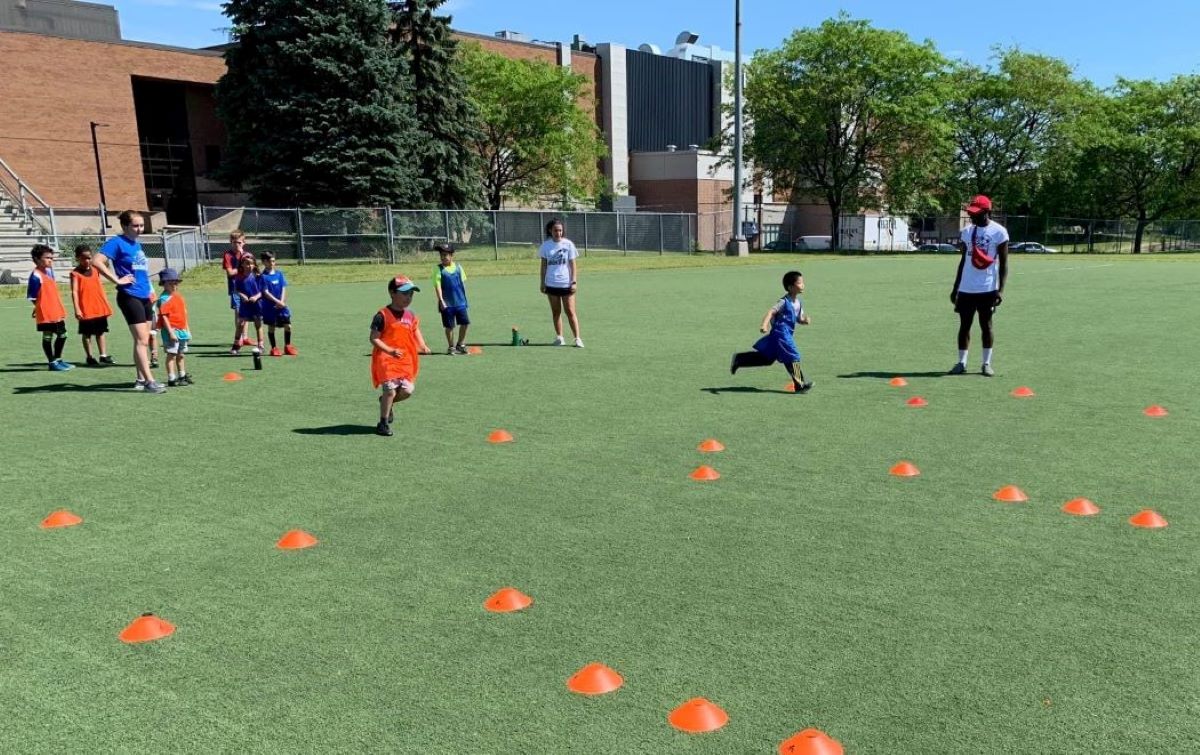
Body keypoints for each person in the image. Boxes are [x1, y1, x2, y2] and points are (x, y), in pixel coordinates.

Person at [93, 210, 165, 393]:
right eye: (135, 225)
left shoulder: (136, 245)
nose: (139, 229)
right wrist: (117, 280)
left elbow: (141, 272)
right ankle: (150, 381)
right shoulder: (117, 243)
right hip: (129, 295)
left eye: (141, 225)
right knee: (142, 340)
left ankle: (140, 379)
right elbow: (97, 261)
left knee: (143, 339)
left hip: (144, 295)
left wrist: (151, 290)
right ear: (125, 226)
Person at [949, 194, 1008, 377]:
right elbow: (962, 261)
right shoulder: (967, 231)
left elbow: (1004, 264)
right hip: (966, 288)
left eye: (976, 213)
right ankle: (961, 362)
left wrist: (1000, 290)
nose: (972, 216)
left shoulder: (999, 232)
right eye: (971, 213)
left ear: (987, 212)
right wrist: (955, 287)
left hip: (987, 288)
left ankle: (986, 363)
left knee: (986, 325)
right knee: (964, 326)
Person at [729, 270, 813, 393]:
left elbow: (798, 318)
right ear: (790, 287)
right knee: (793, 355)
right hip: (781, 334)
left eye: (803, 282)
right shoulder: (783, 302)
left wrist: (804, 320)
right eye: (800, 283)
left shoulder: (799, 303)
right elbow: (771, 312)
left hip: (782, 336)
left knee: (766, 359)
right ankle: (799, 385)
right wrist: (764, 325)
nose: (803, 285)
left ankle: (739, 359)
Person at [370, 275, 430, 437]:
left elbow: (415, 329)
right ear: (392, 293)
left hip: (405, 361)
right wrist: (389, 351)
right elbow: (374, 338)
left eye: (411, 294)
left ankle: (385, 402)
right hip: (386, 360)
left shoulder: (410, 315)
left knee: (407, 391)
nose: (408, 298)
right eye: (404, 293)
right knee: (390, 390)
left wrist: (422, 344)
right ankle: (383, 423)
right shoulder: (382, 315)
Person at [26, 244, 73, 371]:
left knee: (63, 335)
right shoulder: (35, 276)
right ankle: (52, 363)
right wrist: (38, 307)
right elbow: (32, 296)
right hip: (46, 312)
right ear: (37, 259)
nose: (51, 260)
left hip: (56, 310)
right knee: (48, 336)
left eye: (52, 258)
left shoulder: (49, 271)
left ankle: (58, 359)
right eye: (47, 258)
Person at [538, 218, 583, 347]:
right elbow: (543, 266)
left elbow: (573, 265)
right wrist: (542, 282)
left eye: (560, 230)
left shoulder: (568, 244)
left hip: (566, 283)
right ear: (550, 231)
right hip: (551, 284)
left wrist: (574, 281)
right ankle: (560, 337)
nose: (558, 233)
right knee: (556, 312)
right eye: (555, 230)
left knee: (570, 311)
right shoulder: (545, 246)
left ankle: (577, 338)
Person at [69, 244, 115, 367]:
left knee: (101, 332)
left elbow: (106, 264)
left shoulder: (95, 270)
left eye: (89, 258)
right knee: (87, 334)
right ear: (77, 258)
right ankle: (89, 357)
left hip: (99, 307)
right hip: (85, 309)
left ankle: (103, 355)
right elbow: (74, 292)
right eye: (84, 258)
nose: (87, 260)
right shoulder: (75, 273)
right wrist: (77, 309)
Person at [155, 268, 192, 387]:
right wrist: (171, 332)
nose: (174, 285)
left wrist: (187, 330)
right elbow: (164, 317)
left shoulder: (178, 297)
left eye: (175, 283)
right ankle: (172, 378)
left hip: (182, 331)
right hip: (172, 331)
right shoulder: (163, 299)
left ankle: (182, 375)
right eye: (170, 283)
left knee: (181, 354)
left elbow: (184, 314)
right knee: (171, 354)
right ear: (163, 284)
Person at [433, 243, 470, 355]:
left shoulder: (458, 268)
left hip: (460, 302)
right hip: (447, 304)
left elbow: (463, 284)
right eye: (442, 255)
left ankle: (460, 344)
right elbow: (437, 286)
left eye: (446, 255)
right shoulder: (438, 269)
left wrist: (465, 299)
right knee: (449, 326)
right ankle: (451, 347)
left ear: (451, 255)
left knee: (465, 323)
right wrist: (441, 300)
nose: (444, 257)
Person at [258, 252, 296, 356]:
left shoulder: (279, 274)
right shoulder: (263, 277)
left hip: (282, 306)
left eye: (274, 261)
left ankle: (288, 346)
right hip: (270, 307)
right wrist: (277, 301)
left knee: (288, 326)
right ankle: (274, 348)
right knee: (272, 327)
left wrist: (282, 301)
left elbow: (283, 287)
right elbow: (265, 293)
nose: (272, 263)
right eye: (269, 261)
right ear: (264, 262)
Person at [222, 230, 254, 348]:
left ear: (244, 243)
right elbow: (230, 273)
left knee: (246, 312)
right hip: (236, 288)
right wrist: (241, 267)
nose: (237, 245)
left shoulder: (248, 255)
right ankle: (239, 337)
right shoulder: (228, 255)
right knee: (239, 312)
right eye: (234, 242)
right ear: (231, 242)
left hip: (248, 287)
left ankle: (245, 337)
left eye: (239, 242)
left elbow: (252, 270)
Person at [231, 255, 264, 355]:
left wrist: (256, 297)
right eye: (247, 263)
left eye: (251, 264)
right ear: (242, 264)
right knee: (240, 324)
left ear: (254, 265)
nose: (249, 266)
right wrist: (242, 295)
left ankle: (260, 345)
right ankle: (236, 345)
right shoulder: (239, 277)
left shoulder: (258, 276)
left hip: (257, 304)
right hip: (245, 305)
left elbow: (263, 291)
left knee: (258, 324)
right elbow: (236, 290)